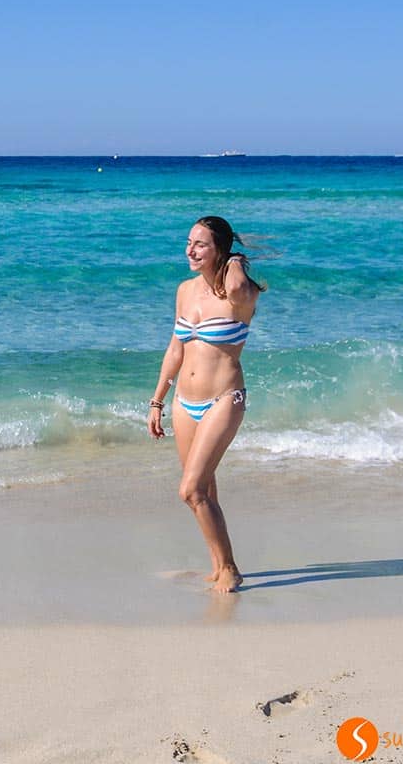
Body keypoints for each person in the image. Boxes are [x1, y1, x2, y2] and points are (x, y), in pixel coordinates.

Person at [147, 216, 266, 593]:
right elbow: (175, 348)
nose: (190, 250)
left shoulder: (240, 294)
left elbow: (235, 287)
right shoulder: (184, 291)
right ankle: (217, 564)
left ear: (220, 250)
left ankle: (230, 568)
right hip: (185, 402)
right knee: (205, 491)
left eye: (201, 245)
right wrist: (157, 399)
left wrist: (234, 262)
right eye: (188, 242)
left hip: (224, 399)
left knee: (190, 489)